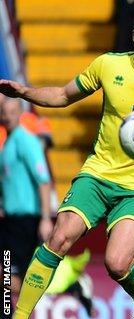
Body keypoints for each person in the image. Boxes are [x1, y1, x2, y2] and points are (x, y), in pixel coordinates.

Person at [1, 4, 134, 319]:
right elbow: (62, 95)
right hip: (97, 175)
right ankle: (19, 315)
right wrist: (26, 93)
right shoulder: (108, 66)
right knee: (58, 237)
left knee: (117, 264)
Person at [0, 99, 53, 307]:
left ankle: (69, 287)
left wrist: (46, 218)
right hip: (10, 221)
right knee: (6, 274)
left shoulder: (25, 141)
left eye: (12, 112)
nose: (7, 116)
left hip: (25, 221)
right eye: (4, 112)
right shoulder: (8, 144)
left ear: (20, 114)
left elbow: (43, 180)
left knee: (9, 275)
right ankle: (6, 312)